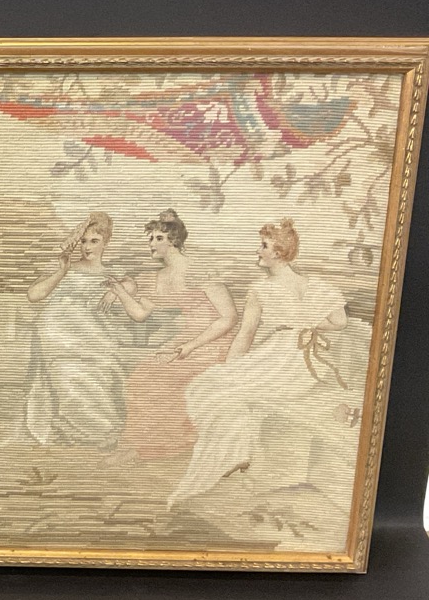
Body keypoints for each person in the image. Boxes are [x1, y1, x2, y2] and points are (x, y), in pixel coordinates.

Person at [168, 219, 348, 506]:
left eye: (263, 245)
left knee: (207, 386)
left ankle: (234, 453)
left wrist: (231, 369)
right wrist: (307, 324)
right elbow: (339, 321)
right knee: (222, 389)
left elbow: (246, 335)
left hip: (283, 358)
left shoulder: (260, 290)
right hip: (308, 362)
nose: (258, 250)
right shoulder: (315, 286)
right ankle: (238, 452)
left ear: (278, 252)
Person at [102, 210, 237, 461]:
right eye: (150, 239)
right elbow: (140, 313)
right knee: (140, 378)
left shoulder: (199, 270)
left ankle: (161, 446)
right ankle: (141, 445)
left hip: (214, 341)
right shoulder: (160, 278)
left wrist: (191, 346)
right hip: (186, 340)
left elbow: (229, 318)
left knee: (164, 379)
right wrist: (120, 291)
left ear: (173, 240)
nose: (152, 244)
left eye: (158, 238)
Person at [24, 211, 128, 449]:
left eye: (94, 241)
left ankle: (96, 430)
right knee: (68, 373)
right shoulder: (67, 268)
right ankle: (94, 431)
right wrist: (61, 271)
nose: (87, 247)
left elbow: (131, 285)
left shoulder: (110, 275)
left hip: (91, 336)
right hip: (57, 335)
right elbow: (34, 295)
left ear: (106, 242)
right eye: (83, 241)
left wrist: (115, 292)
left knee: (102, 369)